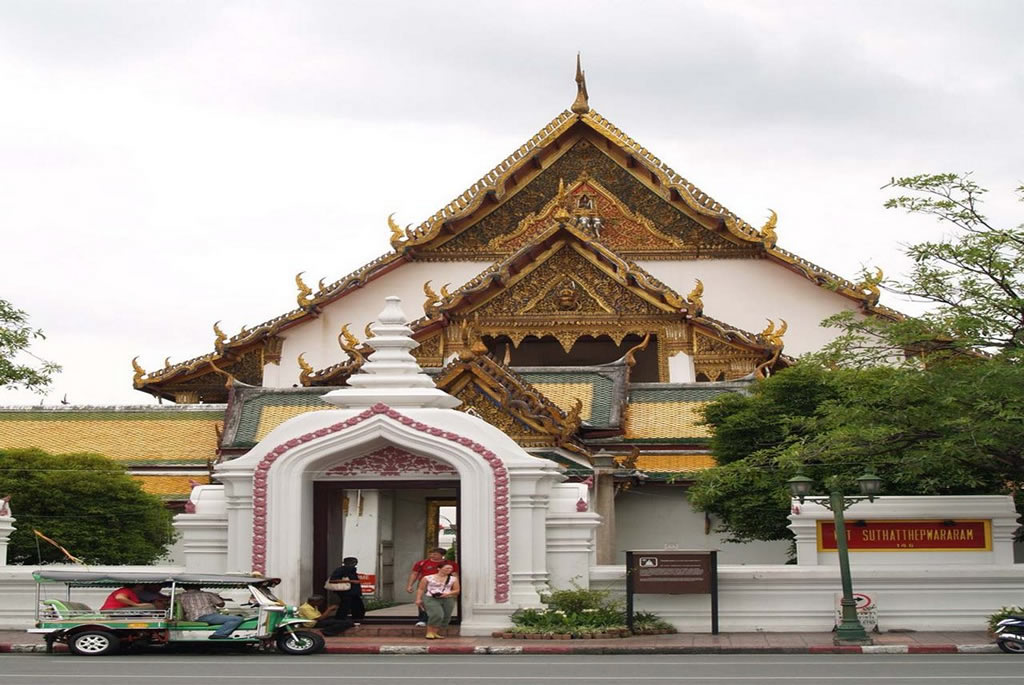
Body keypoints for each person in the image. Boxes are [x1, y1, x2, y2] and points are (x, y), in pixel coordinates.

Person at [405, 548, 459, 626]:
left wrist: (456, 587)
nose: (432, 556)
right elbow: (414, 574)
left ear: (442, 555)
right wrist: (410, 585)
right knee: (422, 602)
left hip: (444, 585)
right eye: (431, 554)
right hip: (425, 584)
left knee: (445, 603)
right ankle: (423, 619)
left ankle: (442, 621)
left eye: (435, 554)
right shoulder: (422, 563)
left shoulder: (450, 564)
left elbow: (455, 575)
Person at [178, 585, 244, 639]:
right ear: (199, 586)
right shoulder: (207, 594)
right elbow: (221, 604)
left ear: (184, 587)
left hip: (191, 618)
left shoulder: (180, 596)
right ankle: (219, 635)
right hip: (207, 616)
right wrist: (219, 598)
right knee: (237, 618)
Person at [415, 560, 459, 640]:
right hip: (431, 598)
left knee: (446, 617)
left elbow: (457, 590)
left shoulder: (453, 579)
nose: (449, 570)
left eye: (451, 569)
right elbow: (421, 589)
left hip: (447, 598)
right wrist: (418, 599)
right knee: (437, 614)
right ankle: (429, 632)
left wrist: (448, 594)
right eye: (447, 568)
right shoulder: (427, 578)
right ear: (439, 568)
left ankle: (435, 632)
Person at [329, 557, 365, 622]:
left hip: (353, 592)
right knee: (345, 606)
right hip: (346, 592)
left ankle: (357, 619)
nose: (355, 564)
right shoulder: (341, 570)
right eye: (354, 562)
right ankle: (340, 620)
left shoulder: (352, 570)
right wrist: (351, 581)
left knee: (357, 606)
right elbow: (332, 580)